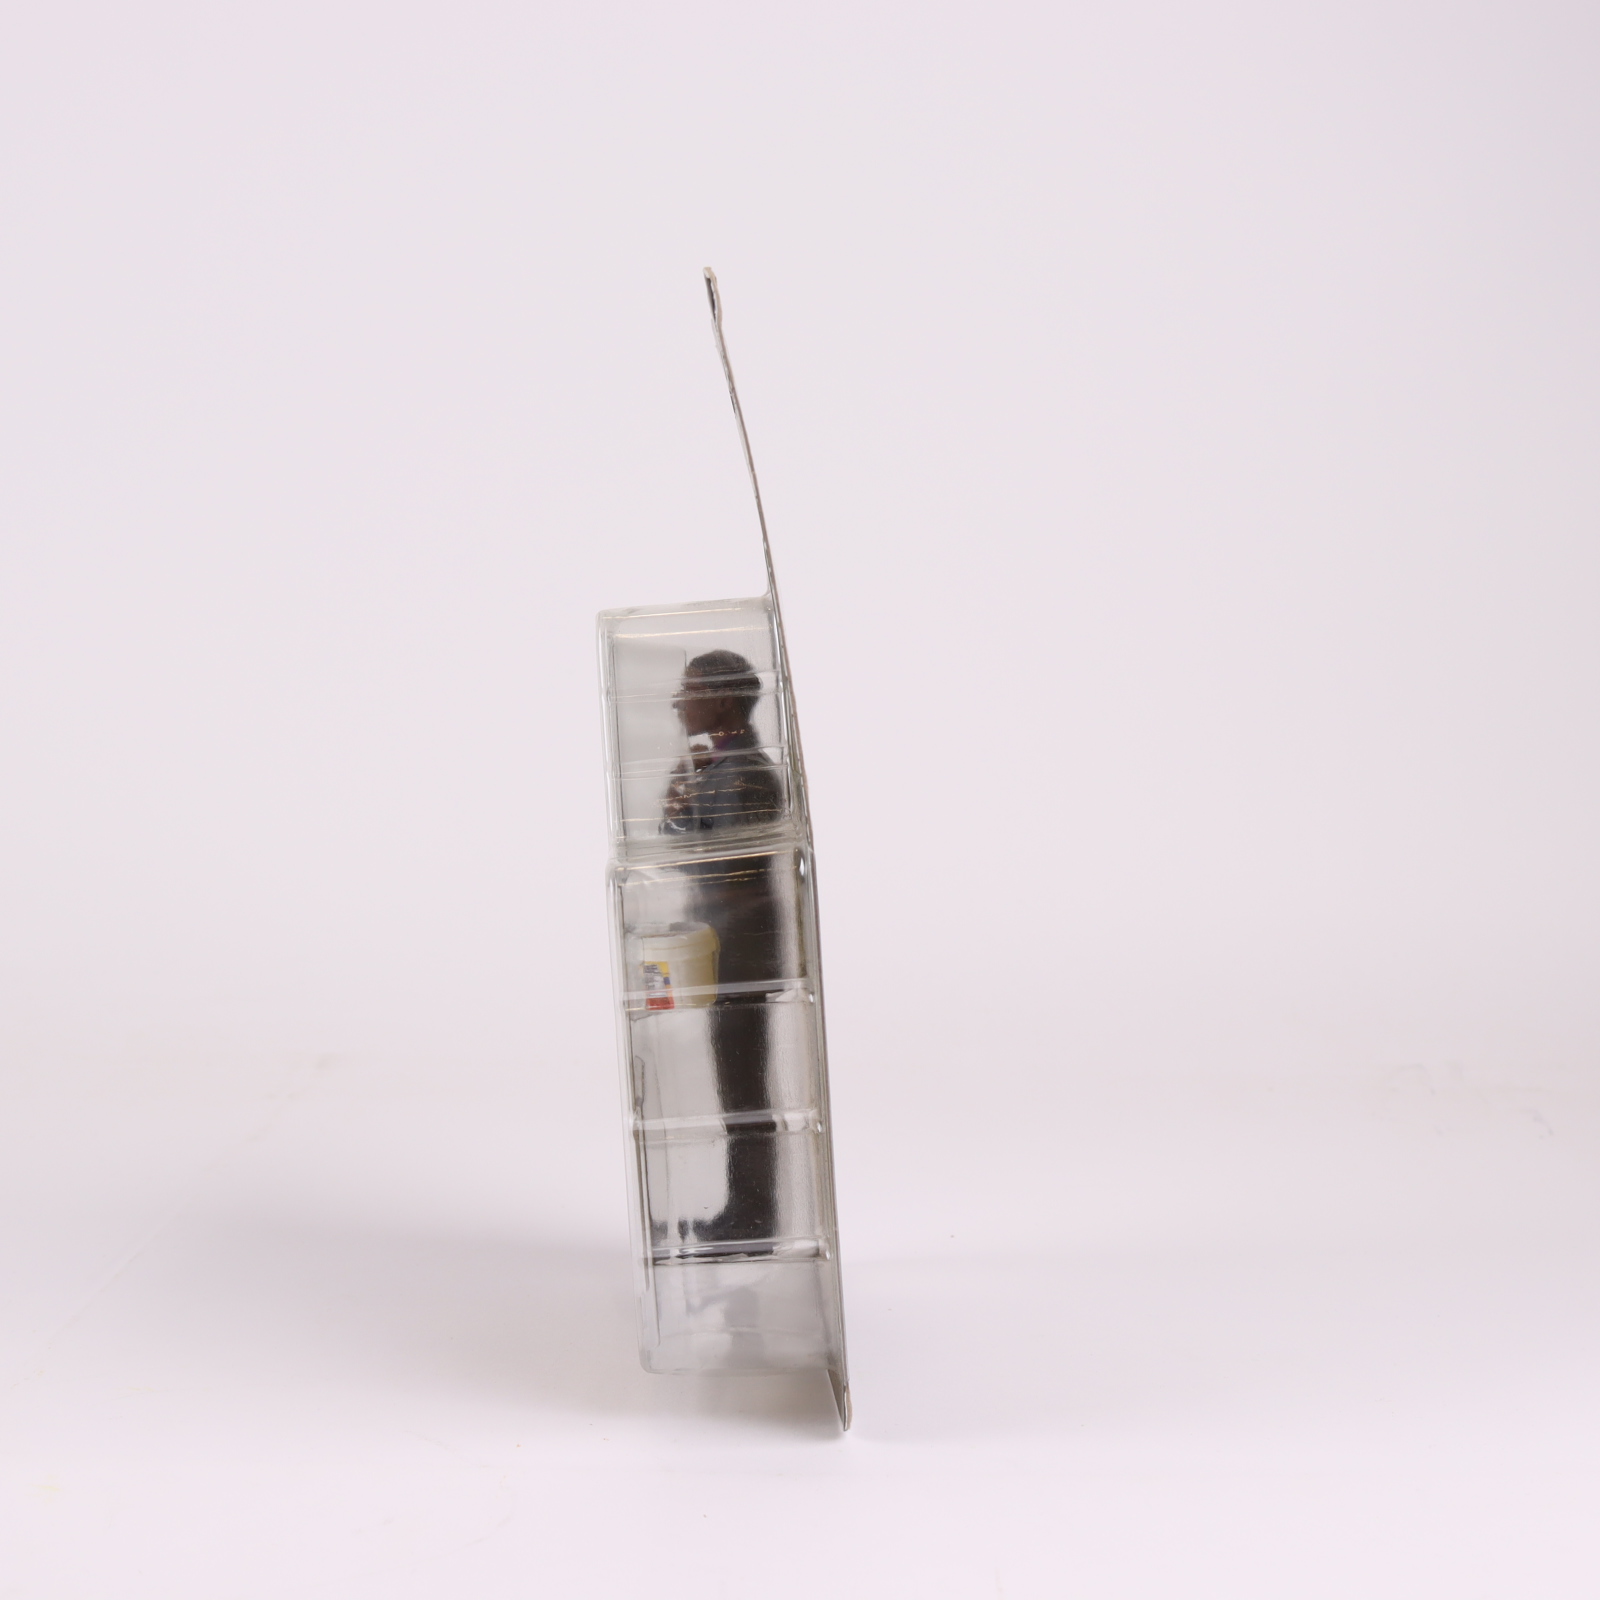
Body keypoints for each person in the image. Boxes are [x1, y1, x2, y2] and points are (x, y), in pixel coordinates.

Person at [661, 650, 785, 1245]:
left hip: (741, 953)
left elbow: (726, 868)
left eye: (689, 690)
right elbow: (689, 850)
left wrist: (687, 814)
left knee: (744, 1095)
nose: (677, 702)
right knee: (735, 1091)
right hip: (726, 950)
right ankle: (747, 1210)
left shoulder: (745, 773)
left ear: (724, 700)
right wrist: (679, 805)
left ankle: (755, 1216)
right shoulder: (720, 768)